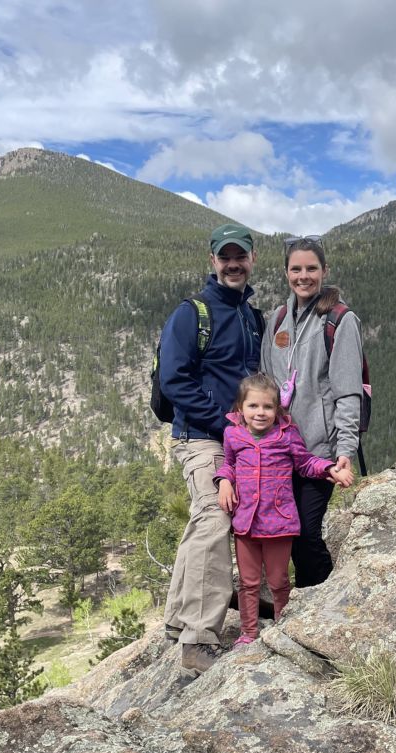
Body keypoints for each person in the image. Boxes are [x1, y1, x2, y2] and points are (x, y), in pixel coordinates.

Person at [159, 222, 262, 677]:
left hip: (238, 439)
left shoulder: (253, 317)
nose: (233, 264)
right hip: (201, 437)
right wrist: (225, 424)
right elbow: (173, 380)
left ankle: (178, 618)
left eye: (240, 256)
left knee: (207, 517)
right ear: (213, 261)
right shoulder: (192, 312)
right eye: (226, 257)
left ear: (252, 260)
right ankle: (198, 639)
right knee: (217, 516)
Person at [215, 373, 352, 646]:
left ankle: (281, 626)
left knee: (278, 581)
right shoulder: (233, 434)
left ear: (277, 409)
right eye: (253, 406)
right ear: (240, 408)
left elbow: (304, 463)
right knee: (248, 582)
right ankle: (249, 633)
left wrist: (328, 468)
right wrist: (223, 482)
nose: (261, 412)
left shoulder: (286, 435)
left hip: (279, 522)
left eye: (268, 406)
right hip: (246, 522)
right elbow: (229, 463)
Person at [260, 235, 363, 588]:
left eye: (311, 268)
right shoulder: (276, 321)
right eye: (296, 269)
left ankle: (319, 604)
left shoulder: (339, 320)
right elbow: (265, 386)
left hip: (320, 450)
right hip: (279, 450)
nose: (303, 276)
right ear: (286, 272)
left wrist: (345, 450)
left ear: (324, 271)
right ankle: (305, 602)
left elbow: (348, 392)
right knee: (284, 535)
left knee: (305, 534)